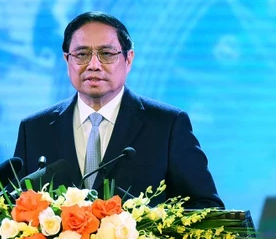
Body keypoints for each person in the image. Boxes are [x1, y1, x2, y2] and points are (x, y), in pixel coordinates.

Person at [13, 12, 223, 209]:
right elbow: (16, 208)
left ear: (128, 59)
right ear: (67, 60)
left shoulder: (167, 125)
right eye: (82, 54)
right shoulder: (34, 129)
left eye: (106, 54)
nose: (93, 65)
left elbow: (205, 206)